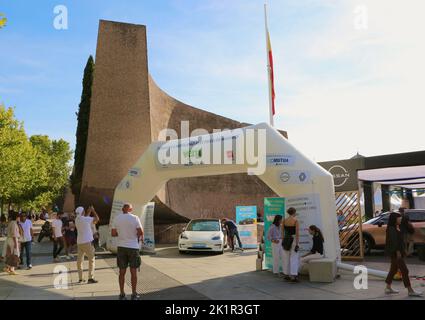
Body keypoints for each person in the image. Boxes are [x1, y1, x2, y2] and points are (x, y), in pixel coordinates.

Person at [384, 212, 422, 297]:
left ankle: (388, 287)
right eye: (399, 218)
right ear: (394, 219)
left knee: (393, 270)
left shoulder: (396, 227)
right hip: (396, 253)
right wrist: (398, 252)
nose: (400, 219)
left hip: (398, 252)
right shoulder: (391, 228)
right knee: (405, 270)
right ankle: (410, 290)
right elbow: (394, 242)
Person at [111, 203, 144, 300]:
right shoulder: (135, 218)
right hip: (133, 247)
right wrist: (134, 234)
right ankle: (134, 294)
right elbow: (140, 232)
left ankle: (122, 293)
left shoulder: (117, 218)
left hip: (121, 247)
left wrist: (121, 234)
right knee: (133, 272)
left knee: (122, 272)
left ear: (122, 209)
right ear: (130, 210)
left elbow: (113, 233)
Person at [75, 206, 99, 284]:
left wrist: (88, 212)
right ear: (82, 212)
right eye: (84, 211)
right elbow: (97, 219)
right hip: (87, 242)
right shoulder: (85, 219)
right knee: (91, 259)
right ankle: (90, 278)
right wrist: (93, 211)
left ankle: (80, 278)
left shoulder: (77, 220)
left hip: (80, 242)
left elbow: (86, 218)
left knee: (80, 261)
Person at [282, 207, 300, 282]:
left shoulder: (284, 220)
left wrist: (283, 240)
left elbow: (282, 232)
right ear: (294, 212)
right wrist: (297, 243)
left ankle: (286, 274)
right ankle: (293, 276)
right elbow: (297, 233)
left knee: (286, 257)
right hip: (293, 239)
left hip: (286, 239)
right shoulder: (296, 221)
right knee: (294, 257)